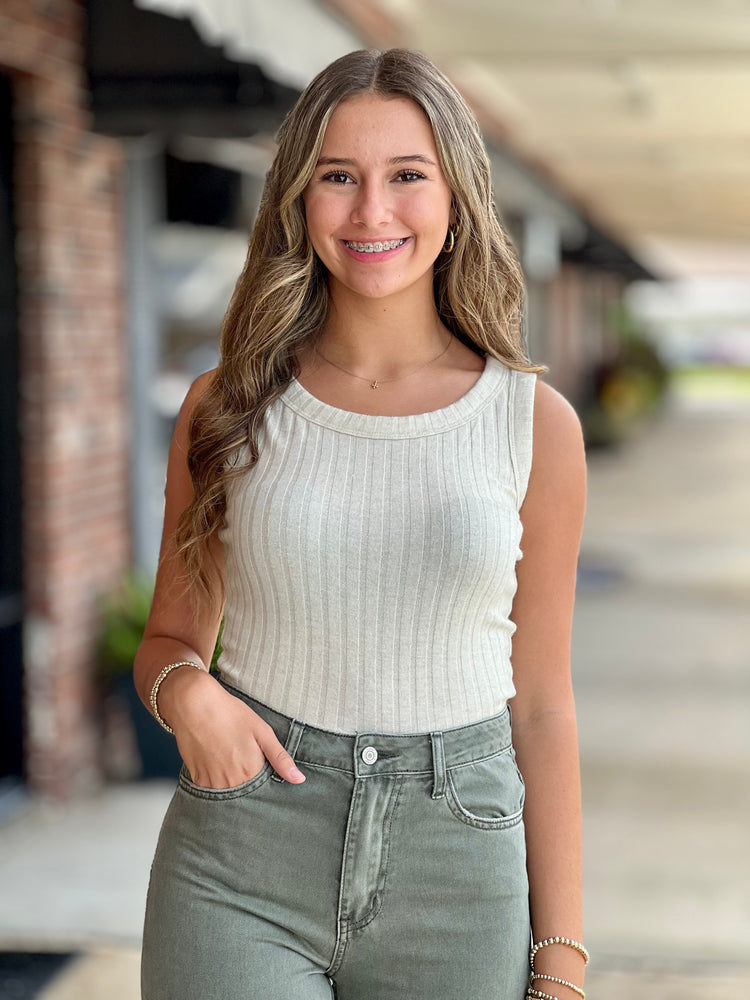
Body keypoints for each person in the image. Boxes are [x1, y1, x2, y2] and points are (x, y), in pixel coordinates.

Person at [135, 47, 588, 1000]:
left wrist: (563, 957)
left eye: (406, 177)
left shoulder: (532, 425)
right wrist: (189, 697)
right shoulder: (229, 406)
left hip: (457, 864)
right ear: (299, 198)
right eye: (338, 176)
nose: (371, 211)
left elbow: (541, 705)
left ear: (457, 198)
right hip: (243, 855)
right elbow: (171, 640)